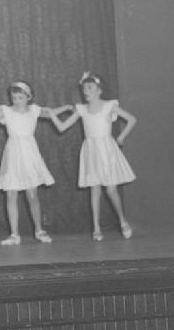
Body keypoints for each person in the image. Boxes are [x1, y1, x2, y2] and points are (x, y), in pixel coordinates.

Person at [0, 81, 69, 245]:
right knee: (11, 194)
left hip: (29, 154)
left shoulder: (34, 110)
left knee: (32, 194)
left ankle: (39, 230)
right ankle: (14, 234)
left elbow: (50, 112)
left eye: (20, 97)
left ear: (28, 97)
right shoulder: (6, 111)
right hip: (13, 154)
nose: (17, 101)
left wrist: (67, 107)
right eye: (14, 98)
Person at [51, 72, 137, 240]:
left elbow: (131, 119)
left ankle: (123, 221)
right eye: (84, 88)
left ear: (99, 90)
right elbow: (62, 127)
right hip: (90, 151)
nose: (86, 91)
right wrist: (53, 115)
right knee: (94, 189)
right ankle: (96, 228)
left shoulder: (109, 106)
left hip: (106, 150)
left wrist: (120, 137)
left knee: (111, 190)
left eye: (90, 88)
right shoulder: (82, 109)